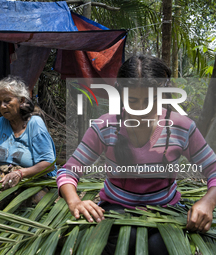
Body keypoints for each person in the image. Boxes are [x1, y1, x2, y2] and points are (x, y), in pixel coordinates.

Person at [57, 55, 216, 255]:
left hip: (166, 210)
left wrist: (208, 201)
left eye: (151, 100)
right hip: (114, 209)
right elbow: (68, 172)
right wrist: (75, 202)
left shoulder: (181, 127)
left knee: (160, 247)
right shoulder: (105, 127)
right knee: (122, 241)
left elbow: (213, 169)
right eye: (133, 101)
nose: (142, 109)